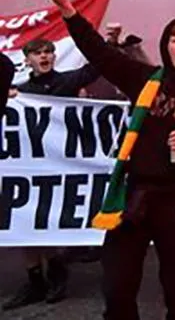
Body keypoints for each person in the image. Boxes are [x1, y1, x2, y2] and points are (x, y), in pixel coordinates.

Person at [39, 0, 175, 320]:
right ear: (166, 46)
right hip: (135, 194)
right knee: (117, 285)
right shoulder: (144, 78)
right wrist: (67, 9)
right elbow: (99, 53)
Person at [3, 37, 102, 310]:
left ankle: (57, 273)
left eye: (49, 52)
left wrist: (112, 42)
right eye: (38, 53)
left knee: (51, 222)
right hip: (28, 168)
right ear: (28, 59)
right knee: (23, 223)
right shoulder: (20, 91)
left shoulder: (67, 82)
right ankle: (35, 281)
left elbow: (98, 67)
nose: (44, 57)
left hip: (62, 167)